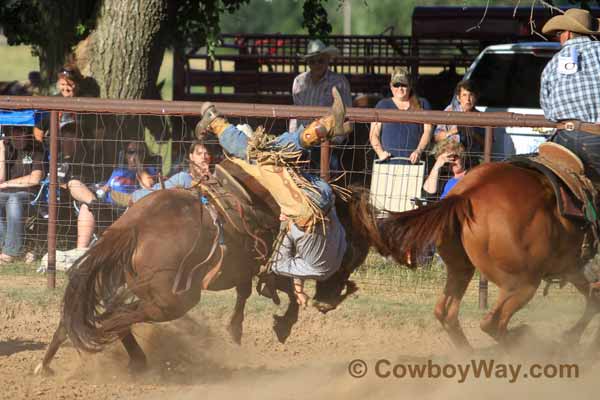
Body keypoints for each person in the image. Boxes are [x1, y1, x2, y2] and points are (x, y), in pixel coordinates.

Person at [195, 87, 350, 306]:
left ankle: (326, 126)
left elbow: (336, 230)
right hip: (304, 210)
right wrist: (267, 272)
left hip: (321, 194)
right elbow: (278, 260)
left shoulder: (338, 255)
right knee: (259, 153)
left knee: (272, 151)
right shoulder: (317, 269)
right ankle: (215, 122)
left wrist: (288, 229)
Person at [540, 8, 600, 183]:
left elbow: (549, 113)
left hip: (564, 139)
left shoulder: (552, 65)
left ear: (566, 34)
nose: (558, 38)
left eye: (558, 33)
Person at [290, 39, 352, 171]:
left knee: (328, 180)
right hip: (303, 139)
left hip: (327, 141)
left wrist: (336, 141)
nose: (317, 64)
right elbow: (296, 113)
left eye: (320, 60)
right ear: (307, 63)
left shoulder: (339, 82)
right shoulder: (299, 82)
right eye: (312, 61)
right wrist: (293, 138)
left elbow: (346, 114)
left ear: (328, 60)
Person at [369, 67, 433, 164]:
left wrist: (418, 151)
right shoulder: (382, 105)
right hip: (388, 163)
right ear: (391, 86)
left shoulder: (422, 104)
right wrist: (380, 153)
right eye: (396, 85)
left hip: (415, 163)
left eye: (403, 84)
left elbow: (428, 131)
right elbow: (374, 134)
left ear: (410, 86)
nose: (400, 88)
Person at [0, 126, 44, 264]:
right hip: (4, 193)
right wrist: (1, 151)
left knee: (14, 199)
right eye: (14, 131)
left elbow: (35, 178)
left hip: (28, 195)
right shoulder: (5, 146)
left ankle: (11, 252)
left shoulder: (36, 148)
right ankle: (4, 244)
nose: (17, 135)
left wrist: (8, 184)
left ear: (27, 133)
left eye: (21, 131)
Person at [131, 140, 213, 203]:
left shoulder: (216, 175)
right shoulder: (183, 178)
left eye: (207, 153)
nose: (203, 157)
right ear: (191, 156)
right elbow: (156, 191)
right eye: (199, 153)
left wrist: (209, 178)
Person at [434, 79, 485, 165]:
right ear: (458, 97)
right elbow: (436, 137)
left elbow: (488, 145)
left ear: (476, 97)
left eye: (471, 95)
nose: (468, 99)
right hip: (451, 159)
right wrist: (453, 132)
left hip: (473, 160)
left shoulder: (482, 117)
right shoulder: (450, 111)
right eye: (464, 95)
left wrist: (473, 133)